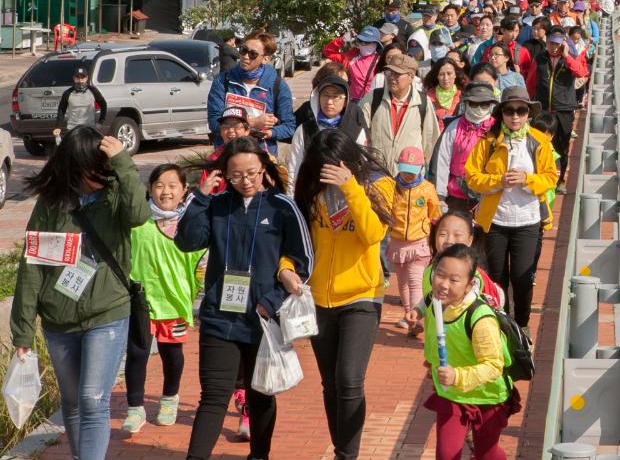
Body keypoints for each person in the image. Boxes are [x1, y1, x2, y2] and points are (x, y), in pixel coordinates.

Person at [10, 128, 147, 460]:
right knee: (71, 402)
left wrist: (123, 163)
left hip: (107, 314)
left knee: (92, 399)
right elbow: (33, 267)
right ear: (73, 166)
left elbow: (140, 215)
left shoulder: (117, 194)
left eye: (103, 167)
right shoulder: (52, 204)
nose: (99, 176)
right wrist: (23, 329)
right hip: (60, 319)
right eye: (92, 169)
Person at [176, 137, 313, 460]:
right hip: (219, 318)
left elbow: (304, 261)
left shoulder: (283, 206)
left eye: (251, 173)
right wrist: (199, 197)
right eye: (236, 175)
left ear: (264, 168)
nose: (245, 181)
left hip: (262, 320)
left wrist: (273, 299)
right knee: (213, 397)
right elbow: (187, 240)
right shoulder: (218, 205)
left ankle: (259, 455)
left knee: (260, 395)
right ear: (225, 175)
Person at [290, 129, 395, 460]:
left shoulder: (377, 187)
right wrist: (286, 269)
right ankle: (341, 449)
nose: (330, 170)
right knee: (331, 385)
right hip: (319, 298)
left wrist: (350, 186)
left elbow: (372, 234)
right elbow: (298, 242)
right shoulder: (311, 193)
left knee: (349, 379)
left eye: (336, 163)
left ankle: (347, 455)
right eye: (324, 165)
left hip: (362, 296)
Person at [465, 87, 558, 335]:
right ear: (501, 113)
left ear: (528, 113)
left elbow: (550, 178)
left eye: (521, 110)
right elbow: (472, 176)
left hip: (528, 220)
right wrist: (498, 182)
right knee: (497, 277)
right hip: (496, 220)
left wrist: (527, 179)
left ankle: (522, 324)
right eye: (509, 110)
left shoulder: (540, 141)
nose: (515, 116)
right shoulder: (488, 141)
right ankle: (499, 324)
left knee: (523, 277)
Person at [122, 163, 204, 433]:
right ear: (149, 189)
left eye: (172, 186)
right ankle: (134, 408)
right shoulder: (138, 221)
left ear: (184, 190)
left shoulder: (191, 224)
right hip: (142, 302)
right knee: (137, 353)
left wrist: (197, 292)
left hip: (175, 303)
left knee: (172, 354)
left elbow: (201, 264)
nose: (165, 192)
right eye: (159, 185)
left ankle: (169, 398)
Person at [422, 244, 521, 460]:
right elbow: (433, 339)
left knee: (486, 453)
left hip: (489, 395)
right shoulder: (434, 304)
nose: (443, 284)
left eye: (454, 280)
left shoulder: (480, 318)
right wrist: (431, 363)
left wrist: (457, 375)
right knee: (446, 455)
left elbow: (494, 365)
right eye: (439, 275)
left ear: (469, 285)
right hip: (453, 394)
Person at [206, 29, 296, 156]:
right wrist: (252, 123)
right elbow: (214, 122)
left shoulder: (278, 85)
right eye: (243, 50)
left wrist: (268, 132)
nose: (245, 56)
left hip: (261, 157)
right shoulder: (222, 81)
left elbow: (289, 127)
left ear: (265, 59)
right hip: (227, 156)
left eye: (253, 54)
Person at [387, 146, 441, 337]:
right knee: (401, 283)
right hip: (397, 241)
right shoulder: (391, 187)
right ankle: (407, 313)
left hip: (419, 243)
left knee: (415, 282)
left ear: (421, 168)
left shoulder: (427, 189)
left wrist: (435, 239)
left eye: (412, 171)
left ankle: (415, 319)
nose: (408, 176)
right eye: (404, 170)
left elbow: (435, 215)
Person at [359, 53, 441, 178]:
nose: (391, 77)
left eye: (397, 74)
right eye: (389, 73)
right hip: (377, 175)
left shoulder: (423, 102)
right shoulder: (373, 98)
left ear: (411, 76)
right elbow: (360, 134)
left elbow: (431, 141)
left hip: (409, 177)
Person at [288, 74, 367, 191]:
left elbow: (364, 166)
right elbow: (294, 167)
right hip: (312, 196)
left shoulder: (356, 130)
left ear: (345, 101)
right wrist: (292, 198)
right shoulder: (305, 130)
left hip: (345, 196)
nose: (329, 102)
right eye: (325, 95)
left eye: (335, 97)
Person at [430, 83, 498, 215]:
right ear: (466, 103)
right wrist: (440, 196)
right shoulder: (453, 127)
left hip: (490, 195)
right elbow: (441, 162)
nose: (479, 108)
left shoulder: (498, 129)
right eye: (474, 103)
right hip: (456, 197)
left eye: (484, 104)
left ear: (491, 105)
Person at [423, 210, 504, 311]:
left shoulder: (474, 276)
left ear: (470, 240)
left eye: (457, 235)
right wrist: (418, 310)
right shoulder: (429, 270)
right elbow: (430, 298)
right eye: (443, 234)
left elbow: (478, 311)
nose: (449, 240)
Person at [533, 30, 588, 176]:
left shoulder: (569, 58)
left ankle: (561, 177)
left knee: (562, 145)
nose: (554, 47)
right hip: (543, 108)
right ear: (547, 42)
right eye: (551, 43)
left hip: (563, 108)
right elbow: (532, 80)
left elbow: (581, 73)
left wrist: (567, 56)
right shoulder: (540, 58)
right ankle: (543, 174)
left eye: (558, 44)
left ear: (563, 44)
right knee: (540, 142)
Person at [53, 65, 108, 143]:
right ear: (74, 78)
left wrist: (100, 122)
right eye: (77, 78)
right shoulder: (68, 93)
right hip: (72, 130)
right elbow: (61, 109)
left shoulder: (93, 91)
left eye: (82, 78)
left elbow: (103, 104)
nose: (80, 80)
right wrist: (58, 126)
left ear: (86, 78)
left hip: (89, 129)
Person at [424, 58, 464, 134]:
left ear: (455, 74)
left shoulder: (463, 97)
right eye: (441, 74)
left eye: (449, 73)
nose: (446, 78)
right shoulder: (427, 97)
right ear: (437, 76)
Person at [345, 26, 385, 103]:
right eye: (361, 41)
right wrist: (342, 40)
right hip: (351, 101)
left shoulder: (381, 61)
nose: (364, 44)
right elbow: (328, 52)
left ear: (376, 44)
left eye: (368, 42)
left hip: (371, 102)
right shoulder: (351, 57)